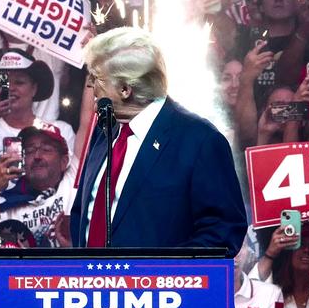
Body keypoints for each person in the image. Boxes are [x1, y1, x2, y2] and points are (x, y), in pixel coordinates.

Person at [68, 27, 247, 251]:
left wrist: (159, 274)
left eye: (97, 79)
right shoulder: (104, 130)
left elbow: (223, 231)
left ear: (125, 89)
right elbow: (82, 216)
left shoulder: (199, 140)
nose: (90, 86)